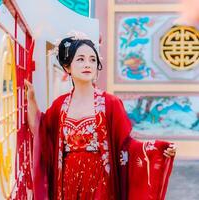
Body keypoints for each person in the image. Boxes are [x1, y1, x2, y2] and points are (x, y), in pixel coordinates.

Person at [24, 32, 176, 200]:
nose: (87, 64)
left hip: (100, 181)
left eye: (92, 59)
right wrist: (31, 99)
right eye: (80, 59)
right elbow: (41, 131)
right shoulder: (60, 105)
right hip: (66, 181)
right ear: (67, 67)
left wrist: (158, 149)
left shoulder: (110, 103)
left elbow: (126, 145)